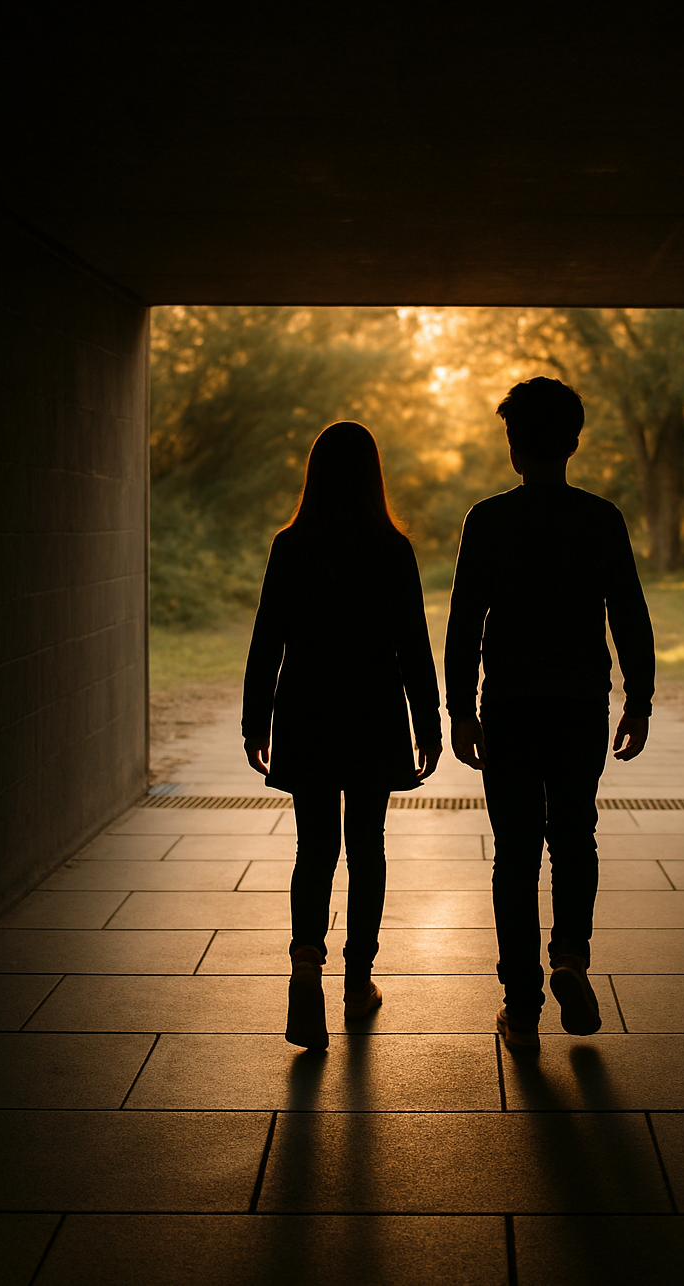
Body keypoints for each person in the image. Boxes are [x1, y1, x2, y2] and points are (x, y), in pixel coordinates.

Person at [445, 377, 655, 1050]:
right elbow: (629, 615)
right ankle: (569, 955)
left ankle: (523, 1007)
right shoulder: (599, 519)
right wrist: (638, 700)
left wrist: (459, 710)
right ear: (572, 442)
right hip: (579, 705)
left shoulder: (489, 520)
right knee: (573, 834)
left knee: (515, 854)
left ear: (515, 445)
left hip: (509, 705)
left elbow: (462, 624)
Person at [242, 421, 442, 1051]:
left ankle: (306, 964)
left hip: (306, 712)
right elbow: (413, 645)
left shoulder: (290, 546)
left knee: (314, 848)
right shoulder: (392, 549)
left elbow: (266, 641)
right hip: (373, 714)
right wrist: (429, 725)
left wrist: (255, 721)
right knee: (367, 848)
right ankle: (358, 981)